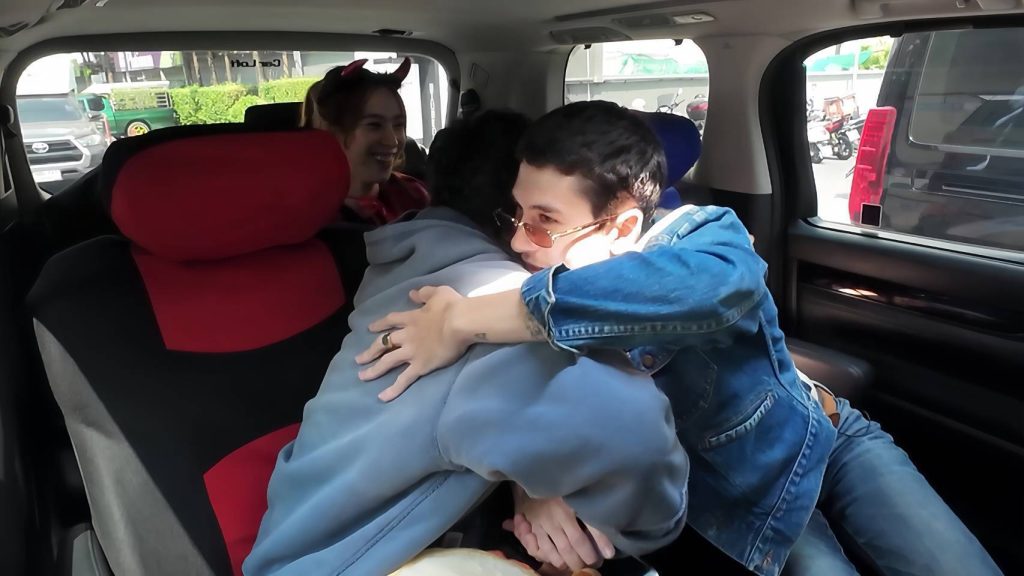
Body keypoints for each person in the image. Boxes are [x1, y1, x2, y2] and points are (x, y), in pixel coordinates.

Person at [355, 101, 1004, 576]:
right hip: (741, 496)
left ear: (620, 226)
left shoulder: (703, 237)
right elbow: (526, 404)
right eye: (517, 215)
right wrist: (536, 483)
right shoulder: (516, 276)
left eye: (544, 221)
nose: (522, 240)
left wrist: (465, 318)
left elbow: (707, 287)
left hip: (830, 435)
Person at [241, 110, 690, 576]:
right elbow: (641, 460)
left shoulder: (409, 259)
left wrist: (529, 484)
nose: (526, 238)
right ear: (511, 207)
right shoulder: (490, 315)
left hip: (310, 544)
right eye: (534, 218)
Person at [314, 58, 429, 225]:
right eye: (374, 125)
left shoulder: (414, 195)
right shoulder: (308, 214)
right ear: (334, 132)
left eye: (398, 125)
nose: (392, 141)